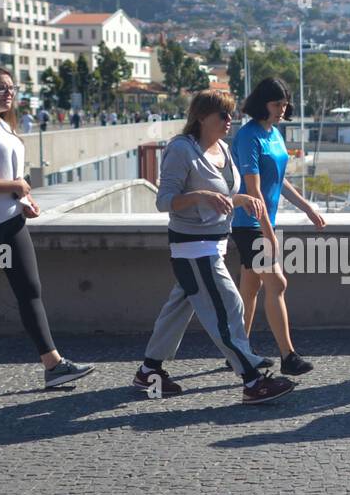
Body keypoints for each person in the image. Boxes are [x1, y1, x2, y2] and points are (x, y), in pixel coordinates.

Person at [133, 90, 295, 405]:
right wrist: (198, 197)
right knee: (228, 307)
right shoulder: (181, 149)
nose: (229, 120)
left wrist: (240, 200)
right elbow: (164, 200)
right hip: (193, 248)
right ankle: (252, 380)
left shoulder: (222, 148)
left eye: (230, 114)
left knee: (177, 311)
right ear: (202, 117)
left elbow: (222, 197)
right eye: (223, 115)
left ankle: (148, 371)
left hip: (215, 244)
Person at [0, 64, 93, 393]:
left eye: (12, 88)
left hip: (10, 222)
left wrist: (22, 199)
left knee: (29, 290)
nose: (9, 93)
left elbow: (8, 180)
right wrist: (17, 186)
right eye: (1, 88)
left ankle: (53, 364)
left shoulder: (2, 128)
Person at [230, 77, 324, 376]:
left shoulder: (274, 134)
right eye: (276, 104)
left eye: (284, 104)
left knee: (250, 288)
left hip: (264, 222)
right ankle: (289, 356)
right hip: (250, 223)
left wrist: (307, 207)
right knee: (277, 284)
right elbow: (254, 190)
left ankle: (238, 350)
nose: (282, 109)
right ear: (262, 104)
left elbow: (279, 180)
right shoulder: (248, 136)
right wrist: (268, 233)